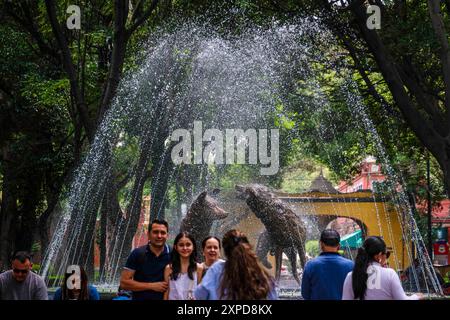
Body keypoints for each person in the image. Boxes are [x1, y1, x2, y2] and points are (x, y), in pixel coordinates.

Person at [194, 229, 278, 300]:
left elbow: (199, 294)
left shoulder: (217, 269)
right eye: (209, 247)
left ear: (224, 251)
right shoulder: (262, 275)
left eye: (215, 247)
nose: (212, 250)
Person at [342, 236, 423, 300]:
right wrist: (416, 296)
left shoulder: (351, 276)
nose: (386, 258)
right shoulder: (390, 274)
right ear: (379, 255)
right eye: (386, 254)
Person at [120, 219, 171, 300]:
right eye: (155, 232)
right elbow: (124, 283)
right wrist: (152, 286)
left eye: (163, 233)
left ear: (167, 235)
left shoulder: (174, 255)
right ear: (148, 234)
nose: (159, 236)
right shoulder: (137, 254)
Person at [301, 229, 354, 300]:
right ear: (339, 245)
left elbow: (305, 294)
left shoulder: (310, 265)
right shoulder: (351, 265)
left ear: (321, 244)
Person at [163, 232, 203, 300]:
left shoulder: (199, 268)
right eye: (181, 245)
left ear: (193, 247)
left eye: (188, 245)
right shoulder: (169, 268)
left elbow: (200, 293)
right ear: (176, 247)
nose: (185, 248)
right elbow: (166, 293)